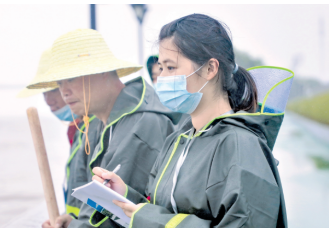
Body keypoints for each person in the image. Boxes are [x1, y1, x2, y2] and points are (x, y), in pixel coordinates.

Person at [92, 14, 293, 228]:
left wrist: (147, 219)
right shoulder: (177, 140)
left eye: (171, 68)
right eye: (160, 68)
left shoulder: (241, 146)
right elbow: (159, 214)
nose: (162, 78)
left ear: (210, 69)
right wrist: (125, 196)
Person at [28, 28, 185, 228]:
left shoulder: (140, 126)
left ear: (101, 71)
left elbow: (114, 217)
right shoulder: (104, 122)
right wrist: (73, 221)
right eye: (59, 82)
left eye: (71, 78)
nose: (64, 91)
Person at [17, 48, 101, 226]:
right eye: (44, 92)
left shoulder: (95, 127)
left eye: (54, 89)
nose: (48, 100)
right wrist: (66, 219)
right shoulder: (76, 128)